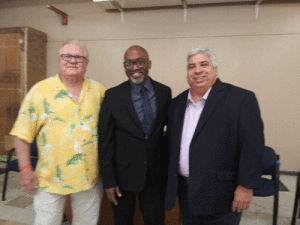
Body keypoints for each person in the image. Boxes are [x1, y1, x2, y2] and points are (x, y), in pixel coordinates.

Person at [164, 46, 264, 225]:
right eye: (191, 66)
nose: (198, 71)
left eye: (204, 64)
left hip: (222, 195)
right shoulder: (176, 104)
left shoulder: (240, 99)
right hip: (186, 193)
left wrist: (246, 186)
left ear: (215, 70)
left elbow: (253, 147)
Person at [10, 39, 106, 225]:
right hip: (50, 179)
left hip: (89, 178)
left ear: (86, 63)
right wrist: (25, 169)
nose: (72, 60)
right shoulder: (40, 91)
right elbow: (22, 133)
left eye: (78, 57)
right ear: (59, 61)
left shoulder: (98, 91)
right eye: (66, 56)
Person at [98, 45, 171, 225]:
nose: (135, 68)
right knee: (123, 221)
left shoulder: (164, 92)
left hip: (155, 175)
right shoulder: (113, 95)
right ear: (125, 66)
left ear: (149, 64)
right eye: (129, 63)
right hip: (122, 175)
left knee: (155, 220)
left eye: (140, 62)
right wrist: (109, 181)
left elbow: (169, 134)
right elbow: (105, 141)